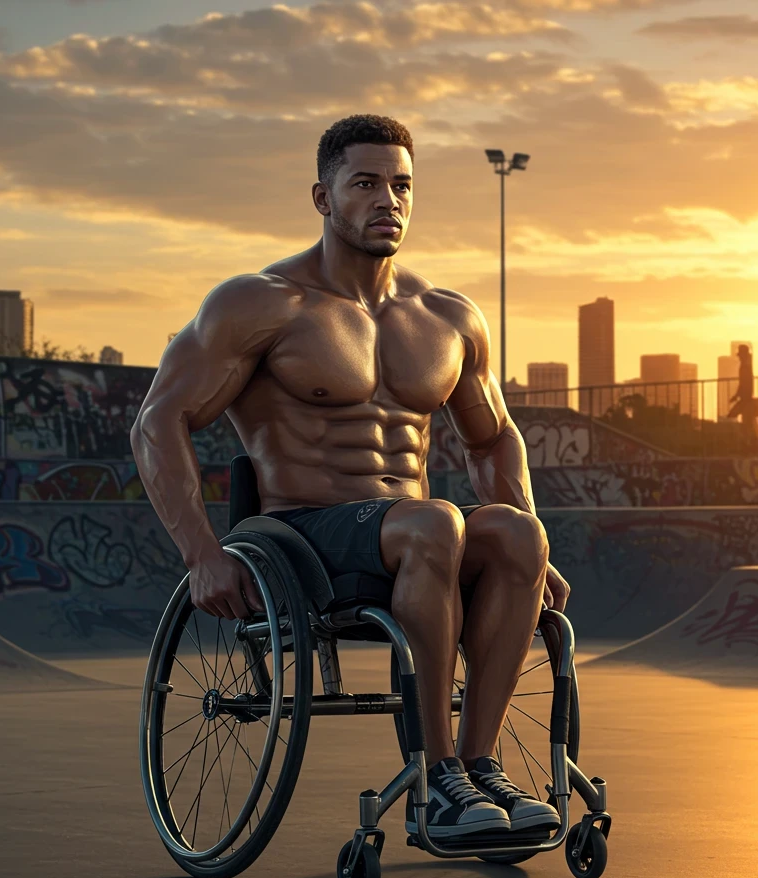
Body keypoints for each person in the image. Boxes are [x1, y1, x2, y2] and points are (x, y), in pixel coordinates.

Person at [131, 114, 570, 841]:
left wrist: (537, 539)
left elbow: (492, 440)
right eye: (365, 183)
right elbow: (158, 420)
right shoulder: (262, 303)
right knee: (435, 520)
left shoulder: (447, 316)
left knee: (519, 536)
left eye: (401, 185)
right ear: (322, 197)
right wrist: (201, 553)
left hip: (419, 538)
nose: (387, 200)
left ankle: (476, 768)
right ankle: (436, 786)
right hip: (305, 537)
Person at [727, 344, 758, 450]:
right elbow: (744, 383)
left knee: (746, 423)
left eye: (740, 355)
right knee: (748, 423)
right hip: (746, 399)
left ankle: (749, 444)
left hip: (745, 399)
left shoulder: (745, 367)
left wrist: (738, 396)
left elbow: (743, 383)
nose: (739, 357)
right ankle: (752, 443)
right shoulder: (747, 366)